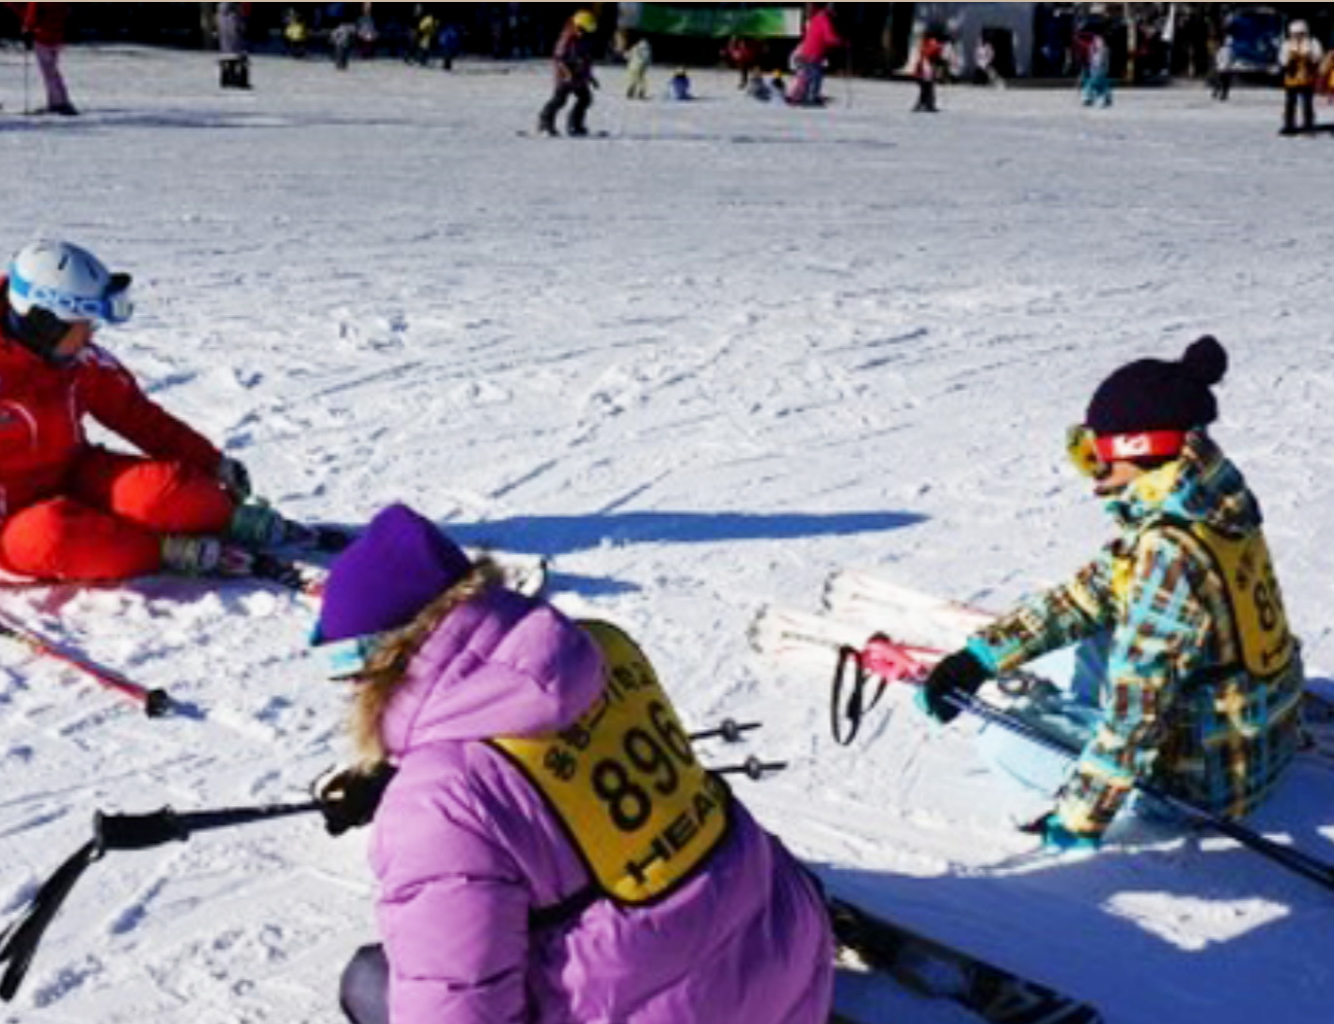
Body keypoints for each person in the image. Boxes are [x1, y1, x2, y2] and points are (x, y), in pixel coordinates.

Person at [312, 504, 835, 1024]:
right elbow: (555, 767)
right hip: (789, 962)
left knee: (369, 980)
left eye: (345, 669)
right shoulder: (601, 648)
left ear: (385, 660)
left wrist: (421, 791)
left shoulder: (438, 800)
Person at [920, 337, 1305, 853]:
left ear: (1138, 450)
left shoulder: (1169, 555)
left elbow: (1134, 716)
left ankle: (1087, 749)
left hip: (1207, 782)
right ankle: (1068, 712)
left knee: (999, 743)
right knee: (1079, 636)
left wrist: (1080, 817)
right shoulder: (1204, 505)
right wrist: (981, 657)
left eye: (1095, 456)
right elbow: (1093, 591)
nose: (1091, 474)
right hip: (1258, 728)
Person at [0, 240, 313, 618]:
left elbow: (137, 415)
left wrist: (211, 463)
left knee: (171, 492)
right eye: (81, 324)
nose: (90, 335)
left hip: (76, 473)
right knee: (57, 538)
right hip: (9, 518)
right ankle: (167, 551)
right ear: (42, 322)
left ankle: (231, 519)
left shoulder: (73, 357)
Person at [536, 10, 598, 137]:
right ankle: (545, 122)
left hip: (579, 76)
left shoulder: (582, 39)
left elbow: (586, 60)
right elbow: (559, 58)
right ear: (577, 26)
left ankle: (575, 124)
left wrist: (590, 77)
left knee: (585, 99)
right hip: (565, 77)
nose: (584, 33)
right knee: (559, 100)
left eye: (587, 31)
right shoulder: (567, 39)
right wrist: (567, 73)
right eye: (583, 30)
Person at [8, 3, 76, 115]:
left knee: (49, 72)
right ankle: (56, 100)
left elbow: (31, 13)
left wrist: (27, 29)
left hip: (42, 36)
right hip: (57, 35)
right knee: (52, 70)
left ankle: (59, 102)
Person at [789, 2, 842, 107]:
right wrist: (841, 42)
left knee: (807, 75)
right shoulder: (824, 19)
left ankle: (801, 95)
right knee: (815, 75)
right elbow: (829, 37)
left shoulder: (817, 17)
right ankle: (810, 97)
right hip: (814, 52)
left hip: (808, 51)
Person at [1279, 20, 1323, 135]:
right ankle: (1289, 125)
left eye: (1300, 33)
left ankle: (1308, 125)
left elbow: (1318, 57)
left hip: (1307, 79)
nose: (1298, 36)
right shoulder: (1287, 44)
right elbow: (1282, 59)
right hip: (1291, 79)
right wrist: (1288, 61)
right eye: (1295, 33)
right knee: (1290, 103)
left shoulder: (1312, 43)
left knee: (1307, 104)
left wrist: (1310, 58)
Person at [218, 2, 251, 89]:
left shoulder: (222, 14)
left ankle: (227, 79)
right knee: (240, 61)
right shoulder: (234, 15)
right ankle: (239, 81)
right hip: (235, 45)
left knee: (228, 61)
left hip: (225, 46)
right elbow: (237, 29)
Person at [911, 27, 944, 112]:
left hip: (926, 68)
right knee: (927, 88)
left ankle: (926, 104)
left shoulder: (926, 43)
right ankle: (927, 104)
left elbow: (928, 54)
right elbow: (931, 54)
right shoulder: (933, 44)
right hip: (926, 69)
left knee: (926, 88)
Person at [1079, 31, 1113, 108]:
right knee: (1100, 83)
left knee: (1093, 82)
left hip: (1098, 66)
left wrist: (1102, 65)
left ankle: (1089, 97)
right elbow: (1091, 54)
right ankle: (1106, 97)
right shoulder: (1094, 43)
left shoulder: (1099, 42)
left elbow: (1101, 55)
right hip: (1094, 65)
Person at [623, 32, 651, 100]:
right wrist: (646, 65)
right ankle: (641, 93)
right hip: (642, 66)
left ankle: (630, 92)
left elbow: (628, 56)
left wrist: (625, 54)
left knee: (633, 79)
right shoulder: (647, 49)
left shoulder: (636, 47)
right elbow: (647, 59)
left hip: (633, 66)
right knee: (641, 80)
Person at [1209, 34, 1234, 101]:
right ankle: (1222, 94)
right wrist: (1226, 65)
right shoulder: (1229, 50)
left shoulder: (1222, 49)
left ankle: (1217, 92)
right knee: (1225, 83)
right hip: (1226, 69)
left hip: (1222, 68)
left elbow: (1218, 58)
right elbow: (1230, 59)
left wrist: (1219, 64)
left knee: (1221, 81)